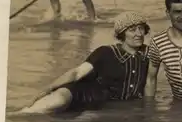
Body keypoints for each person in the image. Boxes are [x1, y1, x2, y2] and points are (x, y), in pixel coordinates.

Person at [19, 12, 150, 115]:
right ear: (122, 34)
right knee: (37, 110)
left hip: (101, 107)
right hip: (81, 94)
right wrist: (47, 89)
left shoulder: (149, 54)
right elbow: (76, 74)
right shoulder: (105, 52)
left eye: (141, 29)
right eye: (132, 30)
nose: (138, 33)